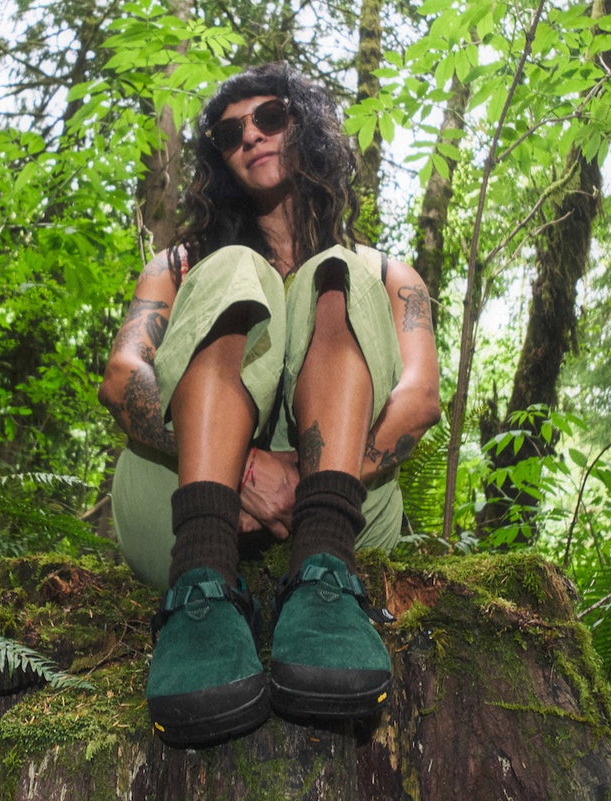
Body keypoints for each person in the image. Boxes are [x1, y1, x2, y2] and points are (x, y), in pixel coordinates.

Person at [98, 63, 441, 748]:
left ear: (305, 126)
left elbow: (420, 399)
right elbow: (121, 374)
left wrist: (313, 482)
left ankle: (323, 573)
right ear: (219, 160)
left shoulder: (387, 273)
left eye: (270, 118)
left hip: (348, 507)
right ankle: (199, 587)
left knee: (332, 274)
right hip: (176, 502)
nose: (250, 135)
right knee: (234, 268)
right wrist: (246, 467)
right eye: (230, 133)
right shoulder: (182, 264)